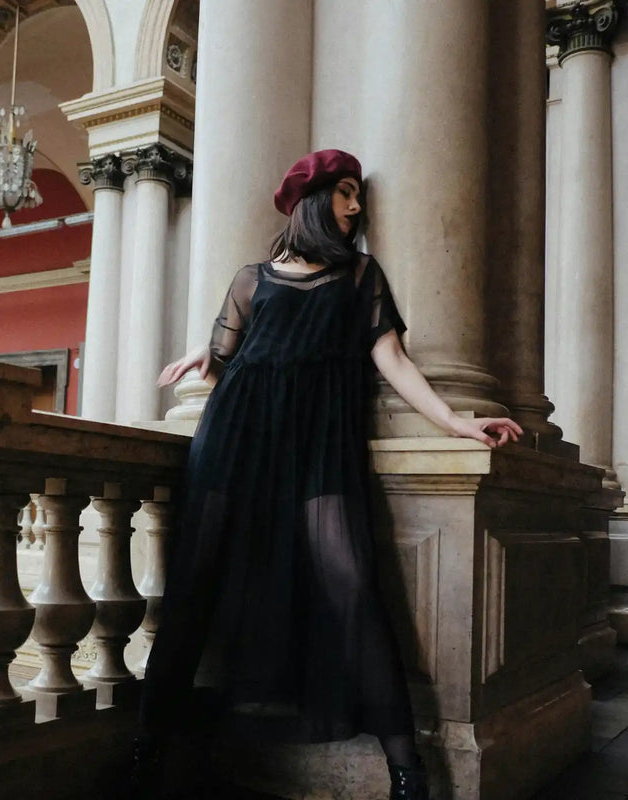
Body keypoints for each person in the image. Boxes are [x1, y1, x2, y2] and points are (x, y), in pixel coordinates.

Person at [133, 150, 522, 800]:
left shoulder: (361, 276)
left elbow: (393, 360)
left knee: (351, 583)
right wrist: (208, 346)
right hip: (237, 438)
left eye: (357, 195)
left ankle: (408, 772)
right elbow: (230, 355)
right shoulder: (250, 279)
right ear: (316, 201)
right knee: (195, 585)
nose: (356, 207)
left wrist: (455, 422)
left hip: (318, 443)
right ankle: (147, 755)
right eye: (345, 193)